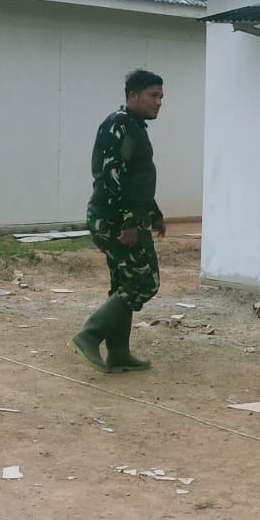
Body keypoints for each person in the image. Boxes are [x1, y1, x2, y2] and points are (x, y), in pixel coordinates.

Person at [70, 69, 166, 373]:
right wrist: (128, 221)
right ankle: (89, 335)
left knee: (123, 284)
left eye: (161, 96)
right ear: (133, 96)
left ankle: (119, 353)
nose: (159, 102)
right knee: (144, 282)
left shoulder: (133, 125)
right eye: (153, 95)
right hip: (114, 220)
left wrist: (152, 213)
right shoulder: (119, 125)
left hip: (120, 217)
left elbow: (135, 178)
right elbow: (112, 176)